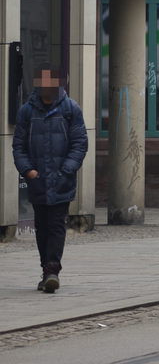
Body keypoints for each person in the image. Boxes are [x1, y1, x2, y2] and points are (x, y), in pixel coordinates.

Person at [12, 68, 88, 294]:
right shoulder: (27, 111)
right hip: (38, 179)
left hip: (61, 179)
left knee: (56, 225)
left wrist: (66, 169)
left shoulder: (70, 109)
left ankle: (52, 270)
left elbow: (79, 143)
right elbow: (19, 146)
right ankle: (46, 269)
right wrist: (28, 170)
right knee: (42, 227)